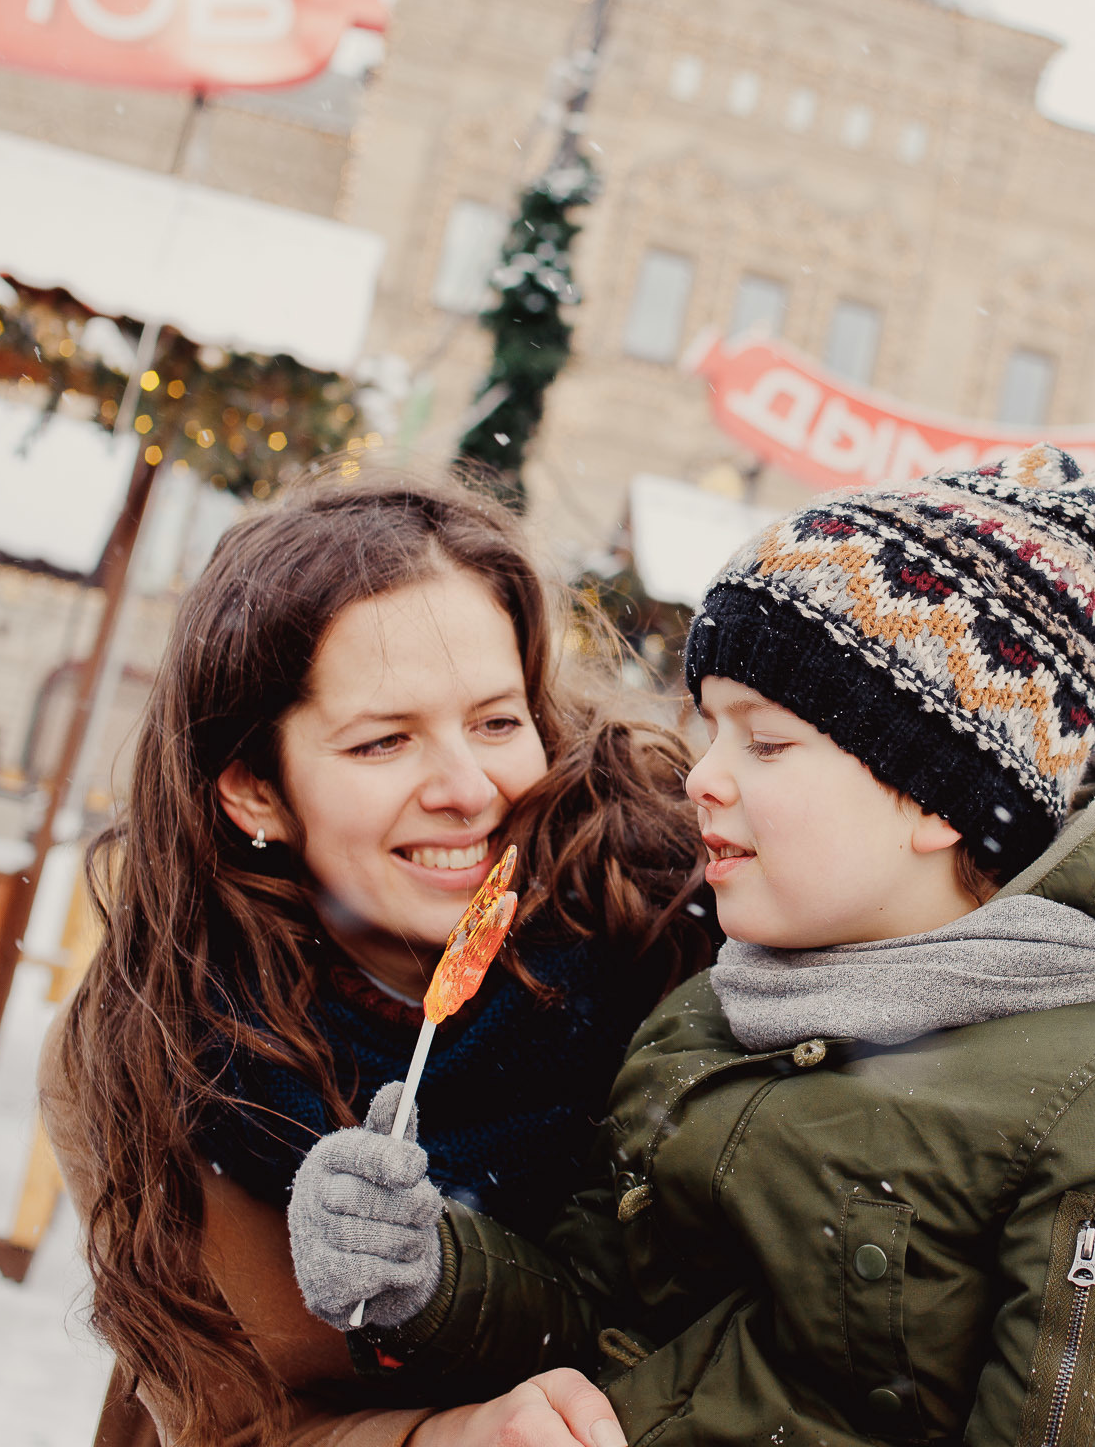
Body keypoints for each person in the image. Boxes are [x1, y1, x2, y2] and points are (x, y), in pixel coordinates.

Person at [288, 447, 1095, 1447]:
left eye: (765, 741)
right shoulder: (709, 1017)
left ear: (934, 790)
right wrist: (433, 1271)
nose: (702, 776)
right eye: (710, 730)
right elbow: (595, 1321)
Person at [41, 476, 713, 1447]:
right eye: (383, 741)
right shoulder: (152, 1037)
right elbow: (231, 1422)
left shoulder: (665, 923)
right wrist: (454, 1436)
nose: (468, 787)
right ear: (253, 791)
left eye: (495, 720)